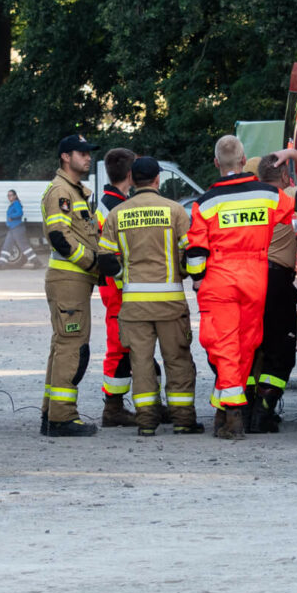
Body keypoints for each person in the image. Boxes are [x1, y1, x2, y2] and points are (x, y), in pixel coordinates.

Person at [185, 135, 296, 440]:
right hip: (256, 278)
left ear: (216, 163)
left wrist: (197, 281)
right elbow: (292, 213)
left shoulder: (205, 203)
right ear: (245, 159)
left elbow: (195, 252)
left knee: (224, 346)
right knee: (246, 343)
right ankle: (224, 412)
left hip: (220, 278)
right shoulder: (269, 196)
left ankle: (233, 415)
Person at [97, 157, 203, 436]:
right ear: (158, 179)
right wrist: (189, 273)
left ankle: (146, 422)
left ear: (132, 178)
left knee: (140, 363)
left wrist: (123, 277)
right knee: (177, 360)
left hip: (134, 305)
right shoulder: (175, 211)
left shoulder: (117, 213)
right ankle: (183, 421)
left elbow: (106, 259)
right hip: (170, 303)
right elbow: (193, 253)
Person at [248, 147, 297, 432]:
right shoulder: (289, 197)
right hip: (276, 283)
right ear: (284, 175)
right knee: (279, 350)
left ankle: (244, 408)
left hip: (245, 283)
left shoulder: (245, 203)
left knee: (249, 348)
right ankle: (264, 411)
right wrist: (293, 152)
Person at [38, 134, 101, 437]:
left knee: (63, 344)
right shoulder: (61, 192)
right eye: (82, 152)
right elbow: (59, 238)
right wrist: (92, 263)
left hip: (73, 279)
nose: (88, 157)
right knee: (73, 347)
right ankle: (62, 418)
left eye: (89, 153)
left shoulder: (74, 191)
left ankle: (51, 413)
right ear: (65, 157)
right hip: (69, 278)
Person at [93, 148, 139, 426]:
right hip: (116, 288)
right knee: (119, 347)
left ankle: (143, 403)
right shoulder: (114, 207)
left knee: (131, 346)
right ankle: (113, 408)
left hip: (114, 286)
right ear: (130, 174)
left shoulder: (110, 201)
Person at [0, 189, 39, 269]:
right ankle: (0, 265)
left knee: (24, 247)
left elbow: (20, 213)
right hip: (12, 228)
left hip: (17, 228)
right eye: (8, 195)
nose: (9, 197)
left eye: (11, 195)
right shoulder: (12, 204)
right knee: (6, 246)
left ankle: (37, 262)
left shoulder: (16, 203)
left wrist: (12, 217)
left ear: (15, 196)